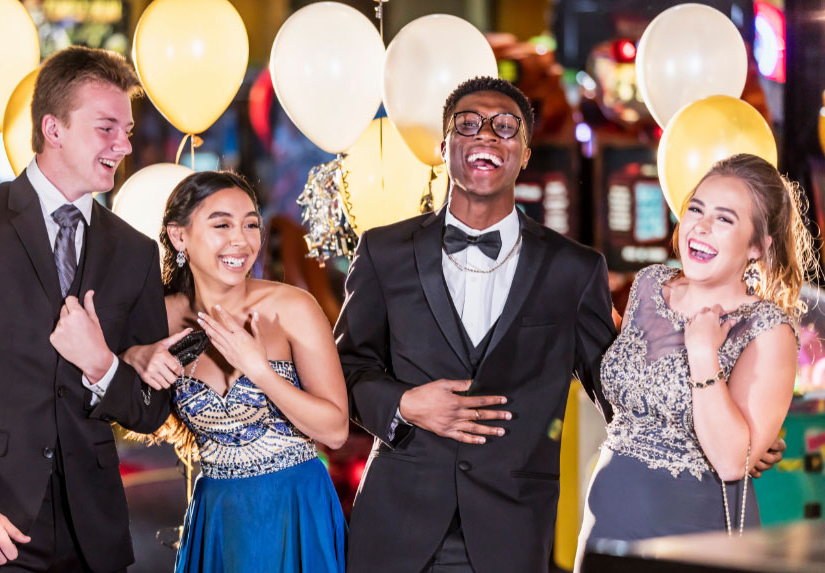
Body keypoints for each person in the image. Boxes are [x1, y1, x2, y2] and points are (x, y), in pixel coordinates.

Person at [334, 77, 785, 573]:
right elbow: (347, 371)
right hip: (396, 524)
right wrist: (404, 404)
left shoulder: (573, 270)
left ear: (526, 154)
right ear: (444, 147)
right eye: (468, 124)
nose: (486, 135)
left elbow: (618, 381)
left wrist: (727, 427)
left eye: (505, 127)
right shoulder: (384, 252)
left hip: (511, 533)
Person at [0, 46, 171, 571]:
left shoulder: (135, 252)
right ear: (53, 128)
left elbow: (151, 409)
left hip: (95, 533)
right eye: (107, 127)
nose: (124, 145)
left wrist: (101, 366)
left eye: (127, 130)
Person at [575, 154, 814, 567]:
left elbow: (731, 460)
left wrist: (703, 355)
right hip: (605, 523)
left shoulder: (768, 329)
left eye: (724, 219)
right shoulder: (648, 286)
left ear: (757, 245)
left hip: (695, 536)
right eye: (696, 209)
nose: (701, 227)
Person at [119, 170, 348, 572]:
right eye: (222, 224)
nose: (240, 240)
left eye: (250, 225)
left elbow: (335, 430)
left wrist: (259, 370)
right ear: (179, 237)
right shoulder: (157, 316)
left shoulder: (292, 307)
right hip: (218, 516)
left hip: (296, 507)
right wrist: (135, 355)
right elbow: (103, 385)